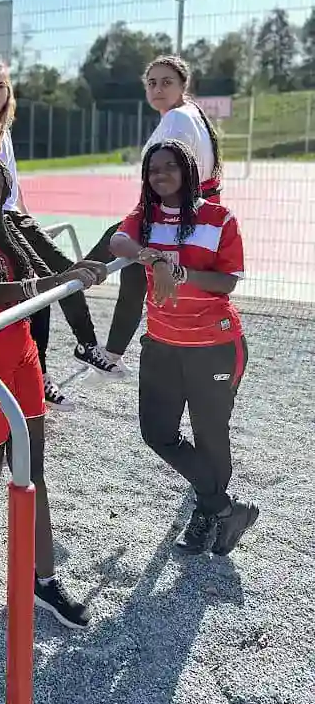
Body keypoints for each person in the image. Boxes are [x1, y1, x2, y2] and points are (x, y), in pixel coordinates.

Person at [0, 156, 108, 627]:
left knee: (31, 469)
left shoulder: (1, 233)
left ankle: (44, 580)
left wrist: (77, 270)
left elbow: (37, 270)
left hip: (21, 351)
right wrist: (64, 281)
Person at [109, 139, 258, 555]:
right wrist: (150, 257)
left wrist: (178, 271)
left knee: (211, 436)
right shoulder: (145, 216)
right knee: (157, 432)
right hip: (161, 345)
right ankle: (226, 508)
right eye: (153, 169)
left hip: (214, 345)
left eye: (169, 166)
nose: (160, 175)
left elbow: (226, 281)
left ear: (189, 170)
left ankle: (208, 515)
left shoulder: (220, 218)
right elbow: (117, 244)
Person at [0, 60, 121, 411]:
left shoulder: (3, 127)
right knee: (41, 285)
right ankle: (40, 377)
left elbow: (12, 182)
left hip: (14, 215)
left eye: (1, 86)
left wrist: (28, 219)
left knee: (67, 270)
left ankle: (87, 345)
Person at [85, 55, 224, 373]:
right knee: (133, 276)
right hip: (187, 215)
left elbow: (165, 178)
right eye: (152, 83)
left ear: (182, 85)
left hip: (175, 217)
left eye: (166, 82)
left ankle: (62, 295)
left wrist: (144, 219)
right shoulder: (192, 115)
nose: (158, 89)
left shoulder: (177, 120)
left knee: (102, 257)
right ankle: (111, 355)